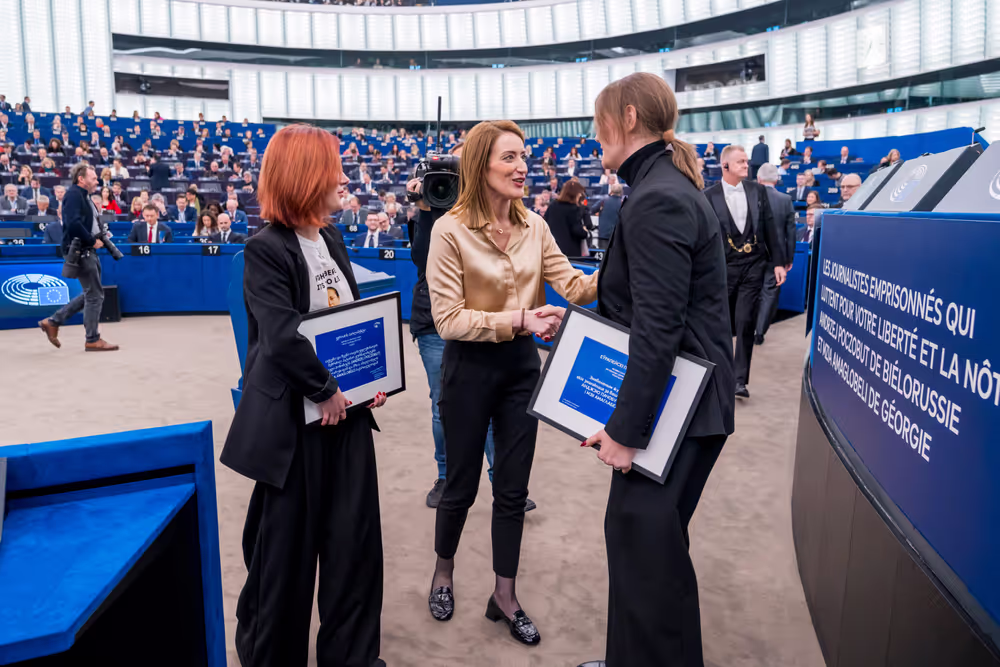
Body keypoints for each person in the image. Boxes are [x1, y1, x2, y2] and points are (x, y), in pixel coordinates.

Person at [575, 72, 735, 667]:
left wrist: (624, 430)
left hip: (678, 413)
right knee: (650, 549)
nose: (596, 136)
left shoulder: (656, 196)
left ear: (631, 118)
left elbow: (659, 330)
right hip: (685, 408)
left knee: (644, 550)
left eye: (601, 123)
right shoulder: (662, 185)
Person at [220, 124, 388, 667]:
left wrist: (366, 383)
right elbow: (281, 336)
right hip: (294, 434)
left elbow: (349, 322)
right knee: (283, 568)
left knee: (354, 555)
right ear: (304, 176)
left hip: (346, 422)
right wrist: (328, 389)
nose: (342, 177)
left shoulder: (332, 239)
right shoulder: (264, 249)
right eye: (332, 167)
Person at [425, 120, 598, 644]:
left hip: (522, 372)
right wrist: (521, 319)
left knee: (513, 488)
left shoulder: (537, 227)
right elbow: (448, 320)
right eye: (509, 158)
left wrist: (630, 260)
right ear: (482, 166)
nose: (522, 166)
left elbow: (576, 287)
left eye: (523, 157)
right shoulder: (448, 230)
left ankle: (505, 594)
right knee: (460, 486)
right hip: (468, 370)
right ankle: (443, 572)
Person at [704, 145, 785, 400]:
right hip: (722, 269)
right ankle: (720, 375)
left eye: (746, 161)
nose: (745, 165)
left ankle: (739, 380)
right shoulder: (708, 196)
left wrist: (779, 262)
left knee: (746, 322)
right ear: (724, 165)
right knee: (721, 326)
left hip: (753, 265)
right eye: (739, 162)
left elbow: (771, 226)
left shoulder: (757, 190)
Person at [39, 162, 118, 351]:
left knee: (92, 293)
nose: (96, 180)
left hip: (85, 249)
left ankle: (53, 321)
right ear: (81, 179)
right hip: (81, 250)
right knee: (95, 296)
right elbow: (73, 223)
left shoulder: (83, 195)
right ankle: (92, 339)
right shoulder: (74, 195)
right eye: (93, 177)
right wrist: (91, 240)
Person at [754, 163, 796, 346]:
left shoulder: (750, 196)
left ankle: (747, 326)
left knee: (750, 291)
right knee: (769, 292)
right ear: (777, 180)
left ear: (758, 179)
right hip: (776, 256)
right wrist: (789, 258)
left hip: (751, 254)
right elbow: (791, 232)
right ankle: (759, 331)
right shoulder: (786, 199)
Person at [544, 180, 591, 256]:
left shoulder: (552, 206)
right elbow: (577, 231)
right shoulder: (573, 209)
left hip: (552, 249)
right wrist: (585, 231)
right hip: (569, 252)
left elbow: (545, 223)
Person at [595, 182, 623, 249]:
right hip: (616, 235)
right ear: (621, 192)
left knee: (602, 255)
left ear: (611, 191)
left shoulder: (604, 200)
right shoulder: (622, 203)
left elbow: (593, 209)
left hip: (603, 234)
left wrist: (600, 211)